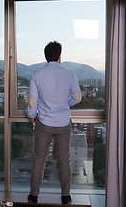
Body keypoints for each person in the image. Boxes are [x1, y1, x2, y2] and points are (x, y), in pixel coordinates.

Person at [26, 41, 82, 205]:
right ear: (59, 56)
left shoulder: (37, 74)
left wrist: (32, 116)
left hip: (44, 123)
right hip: (63, 124)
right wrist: (66, 104)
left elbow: (32, 102)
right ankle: (65, 196)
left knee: (39, 160)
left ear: (45, 56)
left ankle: (34, 196)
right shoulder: (69, 73)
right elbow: (77, 97)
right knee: (64, 160)